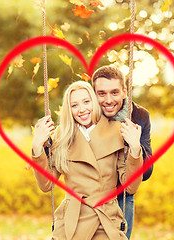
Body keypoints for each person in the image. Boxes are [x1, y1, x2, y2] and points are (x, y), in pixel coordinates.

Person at [32, 81, 143, 240]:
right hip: (72, 220)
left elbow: (131, 187)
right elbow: (46, 185)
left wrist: (134, 148)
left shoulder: (117, 130)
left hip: (105, 219)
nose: (82, 109)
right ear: (69, 110)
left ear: (94, 102)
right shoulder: (62, 135)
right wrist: (37, 146)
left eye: (86, 101)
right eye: (74, 105)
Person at [91, 65, 153, 240]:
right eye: (101, 93)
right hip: (88, 197)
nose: (108, 100)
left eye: (115, 93)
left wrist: (134, 147)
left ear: (124, 92)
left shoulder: (138, 116)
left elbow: (147, 172)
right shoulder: (86, 114)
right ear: (93, 93)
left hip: (121, 198)